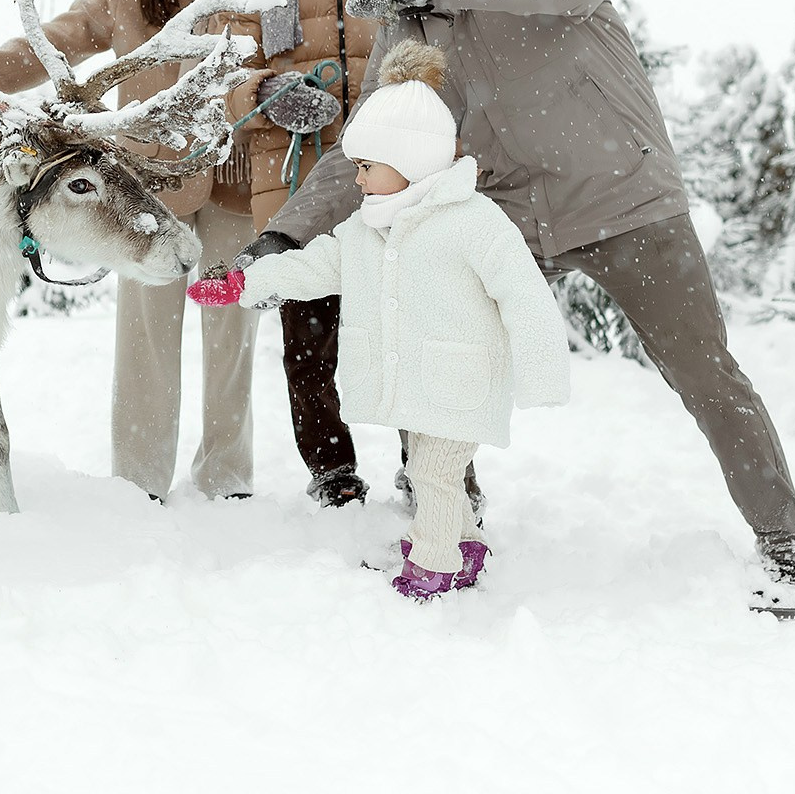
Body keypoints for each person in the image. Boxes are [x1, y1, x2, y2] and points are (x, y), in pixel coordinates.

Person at [236, 0, 795, 617]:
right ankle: (449, 521)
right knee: (430, 340)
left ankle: (785, 537)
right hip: (510, 212)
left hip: (623, 198)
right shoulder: (410, 23)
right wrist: (287, 235)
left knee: (704, 371)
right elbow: (372, 140)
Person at [0, 0, 264, 501]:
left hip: (234, 176)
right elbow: (58, 40)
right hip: (150, 185)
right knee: (146, 339)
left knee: (231, 333)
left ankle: (228, 477)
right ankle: (140, 479)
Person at [226, 41, 570, 598]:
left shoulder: (473, 221)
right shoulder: (367, 228)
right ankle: (465, 544)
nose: (357, 180)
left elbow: (525, 297)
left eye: (366, 167)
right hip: (424, 384)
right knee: (439, 474)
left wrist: (542, 374)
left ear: (408, 161)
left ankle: (431, 565)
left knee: (432, 472)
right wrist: (249, 283)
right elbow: (316, 266)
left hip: (461, 384)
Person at [223, 0, 383, 507]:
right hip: (295, 179)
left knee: (408, 328)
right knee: (308, 340)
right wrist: (265, 92)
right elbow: (225, 74)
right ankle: (332, 472)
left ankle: (433, 465)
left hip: (392, 178)